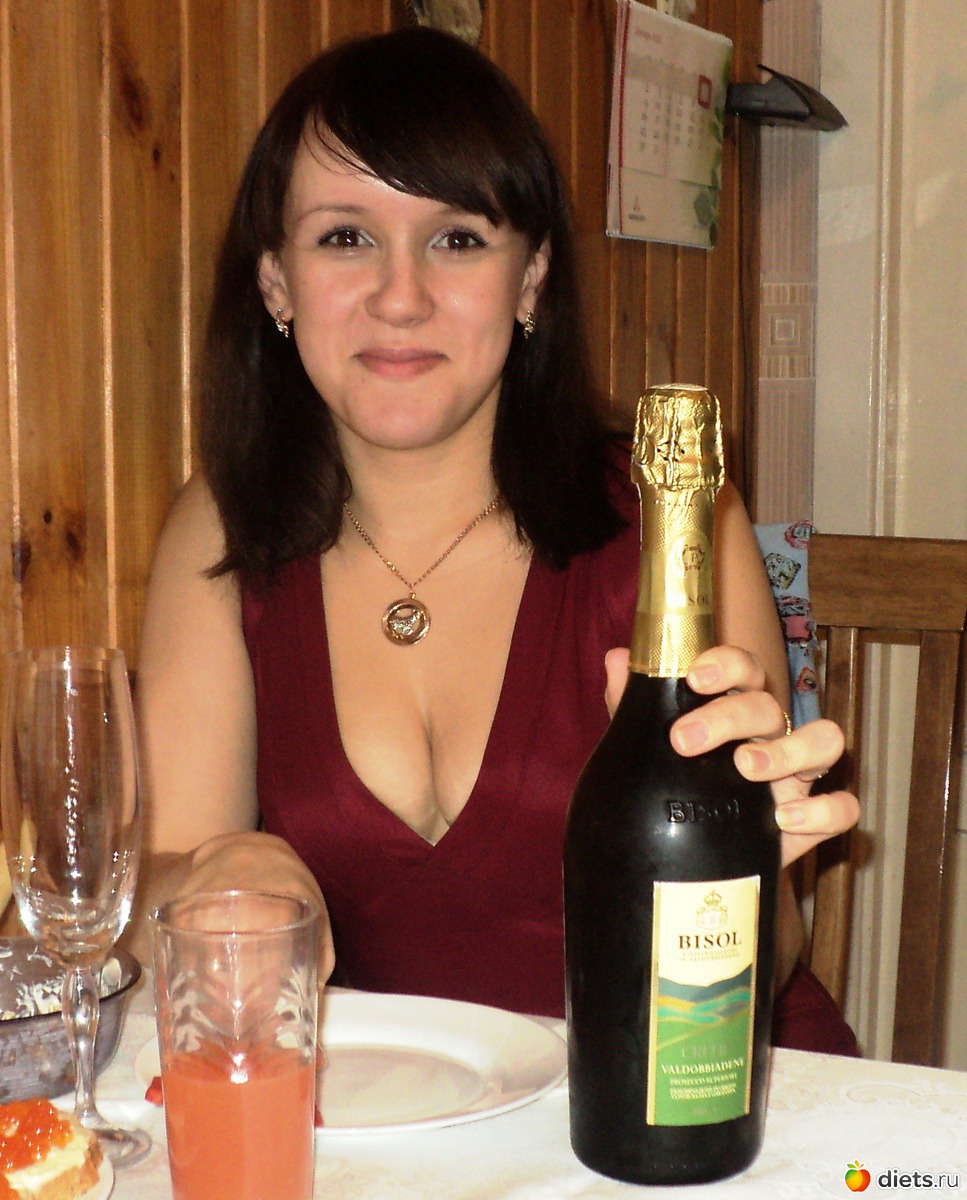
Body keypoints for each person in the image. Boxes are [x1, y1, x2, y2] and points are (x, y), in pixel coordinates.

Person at [133, 27, 860, 1051]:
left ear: (530, 279)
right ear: (275, 282)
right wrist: (212, 876)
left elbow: (767, 953)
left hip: (686, 1088)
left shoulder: (676, 517)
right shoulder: (221, 527)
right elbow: (157, 885)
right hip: (401, 1113)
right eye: (344, 238)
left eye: (457, 239)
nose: (399, 296)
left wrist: (744, 868)